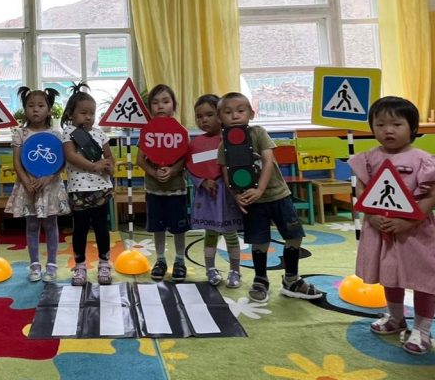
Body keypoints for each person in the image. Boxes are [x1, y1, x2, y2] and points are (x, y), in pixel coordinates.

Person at [349, 97, 435, 354]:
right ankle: (396, 317)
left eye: (396, 124)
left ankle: (422, 330)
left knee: (422, 278)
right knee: (389, 275)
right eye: (380, 124)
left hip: (415, 231)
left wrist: (409, 221)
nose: (388, 130)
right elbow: (362, 189)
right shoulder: (368, 158)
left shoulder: (422, 159)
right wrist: (371, 215)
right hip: (380, 228)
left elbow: (432, 195)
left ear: (412, 127)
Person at [218, 92, 322, 304]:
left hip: (278, 195)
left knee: (294, 235)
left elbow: (268, 161)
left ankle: (291, 279)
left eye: (240, 111)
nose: (235, 116)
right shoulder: (223, 146)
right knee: (259, 240)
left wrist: (260, 189)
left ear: (251, 114)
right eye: (228, 112)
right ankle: (260, 279)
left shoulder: (258, 133)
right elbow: (227, 175)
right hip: (252, 202)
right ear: (220, 118)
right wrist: (237, 196)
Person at [6, 87, 70, 282]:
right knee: (32, 225)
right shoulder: (20, 133)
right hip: (29, 187)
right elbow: (17, 161)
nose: (35, 109)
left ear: (49, 109)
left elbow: (62, 160)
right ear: (25, 109)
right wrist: (27, 182)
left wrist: (49, 177)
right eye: (31, 106)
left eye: (41, 106)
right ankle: (34, 265)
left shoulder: (57, 134)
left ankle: (51, 265)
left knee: (51, 224)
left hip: (50, 186)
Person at [61, 82, 115, 285]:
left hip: (101, 189)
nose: (88, 117)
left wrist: (109, 166)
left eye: (92, 113)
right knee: (80, 230)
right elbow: (71, 155)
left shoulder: (100, 133)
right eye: (83, 113)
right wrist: (94, 166)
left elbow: (109, 157)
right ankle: (80, 265)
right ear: (71, 114)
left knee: (102, 228)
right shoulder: (69, 132)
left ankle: (104, 263)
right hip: (79, 190)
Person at [189, 94, 244, 288]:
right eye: (199, 116)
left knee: (230, 233)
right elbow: (191, 167)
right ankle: (210, 269)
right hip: (208, 197)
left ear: (220, 115)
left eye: (209, 114)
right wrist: (203, 181)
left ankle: (235, 270)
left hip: (227, 196)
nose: (204, 120)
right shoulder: (195, 144)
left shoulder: (232, 139)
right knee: (210, 233)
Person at [138, 84, 191, 282]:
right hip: (154, 190)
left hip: (176, 190)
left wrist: (172, 170)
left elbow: (185, 158)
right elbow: (140, 159)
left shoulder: (181, 131)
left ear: (173, 105)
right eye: (155, 102)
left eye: (166, 101)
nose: (160, 106)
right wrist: (153, 172)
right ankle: (160, 260)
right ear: (150, 107)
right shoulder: (147, 131)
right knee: (157, 227)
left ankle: (180, 260)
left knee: (179, 227)